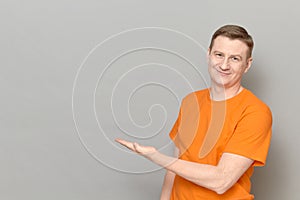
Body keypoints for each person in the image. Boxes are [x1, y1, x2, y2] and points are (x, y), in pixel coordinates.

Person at [116, 24, 272, 200]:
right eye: (219, 55)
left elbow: (221, 181)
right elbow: (174, 170)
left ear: (247, 64)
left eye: (235, 58)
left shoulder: (256, 112)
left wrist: (156, 157)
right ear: (208, 55)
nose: (224, 65)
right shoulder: (191, 102)